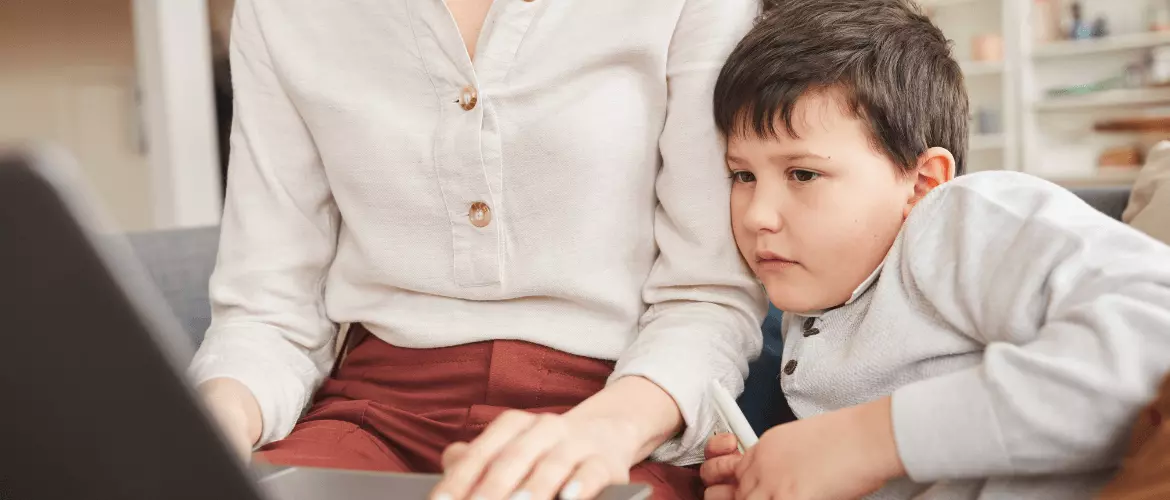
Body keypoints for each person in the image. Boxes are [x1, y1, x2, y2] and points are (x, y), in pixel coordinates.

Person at [189, 1, 768, 500]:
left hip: (617, 413)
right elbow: (268, 311)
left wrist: (607, 432)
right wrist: (207, 421)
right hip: (368, 416)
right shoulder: (280, 13)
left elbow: (710, 295)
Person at [698, 0, 1170, 498]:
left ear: (923, 183)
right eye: (743, 175)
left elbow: (1155, 330)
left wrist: (865, 440)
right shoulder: (815, 302)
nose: (756, 216)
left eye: (804, 173)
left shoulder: (956, 221)